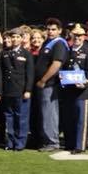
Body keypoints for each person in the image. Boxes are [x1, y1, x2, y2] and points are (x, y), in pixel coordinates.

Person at [59, 25, 88, 154]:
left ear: (84, 37)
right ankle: (69, 143)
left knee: (81, 119)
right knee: (69, 118)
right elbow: (63, 69)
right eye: (75, 35)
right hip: (68, 90)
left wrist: (85, 83)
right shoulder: (67, 51)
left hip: (82, 91)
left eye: (80, 36)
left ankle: (80, 145)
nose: (77, 38)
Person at [33, 18, 68, 151]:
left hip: (50, 84)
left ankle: (52, 142)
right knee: (45, 112)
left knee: (50, 113)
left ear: (59, 31)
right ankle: (47, 140)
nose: (50, 31)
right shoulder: (49, 42)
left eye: (53, 29)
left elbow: (56, 64)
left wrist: (43, 80)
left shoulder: (58, 44)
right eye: (48, 29)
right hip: (45, 85)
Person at [0, 29, 34, 151]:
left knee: (21, 117)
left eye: (17, 37)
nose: (14, 39)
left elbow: (30, 73)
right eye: (12, 37)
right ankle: (10, 142)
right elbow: (1, 73)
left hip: (21, 90)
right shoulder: (4, 53)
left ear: (21, 38)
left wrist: (28, 90)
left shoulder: (26, 53)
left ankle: (20, 143)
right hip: (8, 90)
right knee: (9, 117)